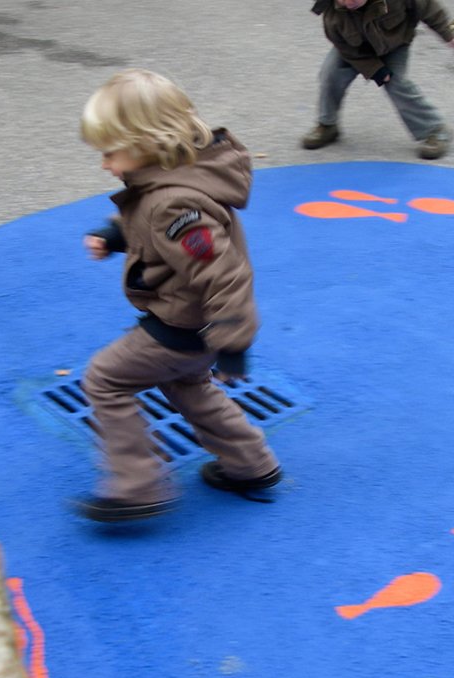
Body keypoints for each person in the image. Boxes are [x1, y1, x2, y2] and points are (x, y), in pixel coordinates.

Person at [75, 69, 281, 523]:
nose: (104, 164)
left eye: (109, 152)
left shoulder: (175, 204)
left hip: (178, 329)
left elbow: (222, 272)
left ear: (147, 143)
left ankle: (137, 484)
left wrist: (233, 344)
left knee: (104, 379)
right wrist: (113, 235)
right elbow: (153, 231)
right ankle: (251, 464)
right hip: (194, 331)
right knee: (188, 386)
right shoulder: (171, 183)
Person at [302, 0, 454, 159]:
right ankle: (327, 125)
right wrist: (375, 70)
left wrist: (452, 35)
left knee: (396, 83)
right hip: (356, 50)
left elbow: (430, 9)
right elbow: (346, 49)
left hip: (395, 45)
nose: (349, 3)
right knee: (330, 74)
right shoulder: (333, 12)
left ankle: (435, 130)